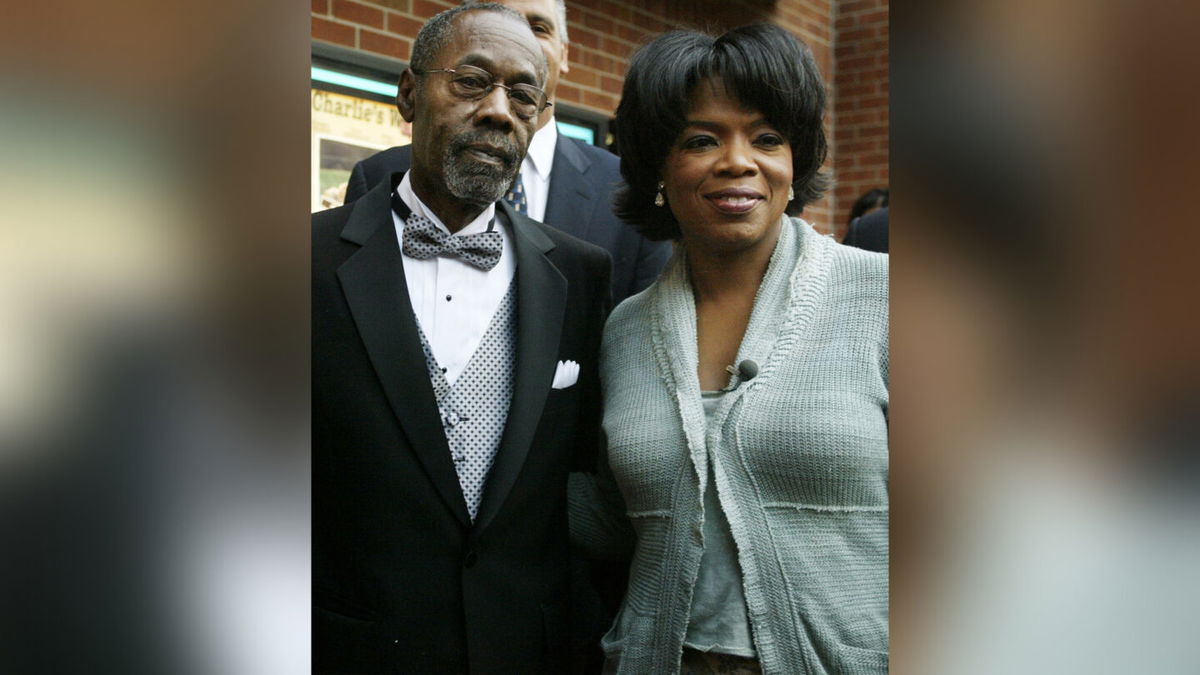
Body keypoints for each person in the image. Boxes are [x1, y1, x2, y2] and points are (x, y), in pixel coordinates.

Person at [569, 25, 889, 674]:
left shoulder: (888, 299)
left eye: (766, 137)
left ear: (794, 160)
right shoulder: (624, 331)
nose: (738, 160)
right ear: (659, 165)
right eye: (700, 139)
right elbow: (606, 517)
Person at [312, 4, 611, 672]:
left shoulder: (580, 274)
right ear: (409, 94)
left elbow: (581, 482)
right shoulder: (301, 262)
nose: (501, 111)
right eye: (473, 83)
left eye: (524, 96)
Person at [343, 0, 671, 306]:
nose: (516, 37)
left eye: (538, 27)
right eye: (472, 81)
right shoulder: (377, 175)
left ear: (565, 52)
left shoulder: (628, 187)